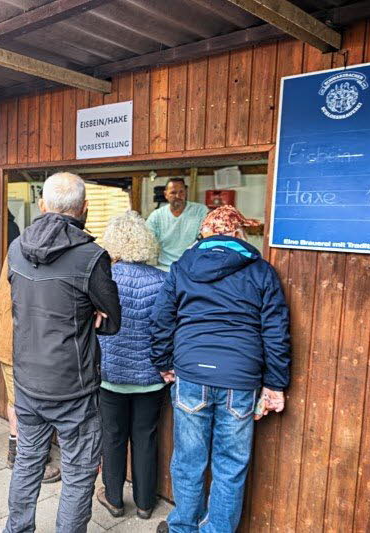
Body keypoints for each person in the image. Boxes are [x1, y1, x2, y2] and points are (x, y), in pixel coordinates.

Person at [150, 205, 290, 533]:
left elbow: (162, 319)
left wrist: (164, 363)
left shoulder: (182, 266)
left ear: (206, 233)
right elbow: (276, 331)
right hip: (240, 379)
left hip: (192, 374)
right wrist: (275, 384)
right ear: (239, 233)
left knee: (188, 461)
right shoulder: (261, 271)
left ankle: (183, 527)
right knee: (230, 466)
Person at [5, 172, 121, 533]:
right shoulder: (91, 256)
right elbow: (113, 320)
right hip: (74, 386)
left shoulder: (15, 247)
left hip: (27, 378)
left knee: (27, 462)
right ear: (84, 209)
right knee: (78, 472)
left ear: (42, 206)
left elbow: (22, 304)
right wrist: (92, 310)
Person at [95, 211, 166, 521]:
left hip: (111, 376)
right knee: (146, 437)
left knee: (112, 435)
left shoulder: (105, 280)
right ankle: (145, 503)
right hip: (150, 378)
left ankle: (113, 499)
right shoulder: (163, 280)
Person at [0, 260, 61, 483]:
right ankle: (24, 459)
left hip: (7, 337)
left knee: (14, 399)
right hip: (17, 340)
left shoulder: (17, 249)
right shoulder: (35, 256)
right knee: (22, 402)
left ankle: (16, 451)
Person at [146, 178, 208, 271]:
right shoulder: (156, 216)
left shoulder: (200, 211)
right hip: (164, 267)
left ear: (186, 192)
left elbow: (206, 237)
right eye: (173, 192)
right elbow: (146, 239)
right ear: (165, 194)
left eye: (181, 192)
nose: (178, 196)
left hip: (191, 267)